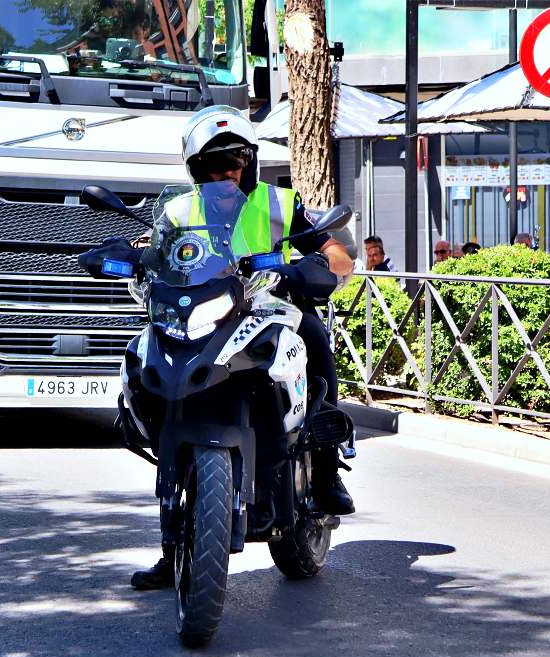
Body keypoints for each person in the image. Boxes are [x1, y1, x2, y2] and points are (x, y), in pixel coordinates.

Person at [93, 105, 356, 590]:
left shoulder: (279, 203)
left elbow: (332, 250)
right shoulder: (177, 209)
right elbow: (154, 245)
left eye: (236, 161)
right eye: (216, 165)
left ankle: (325, 468)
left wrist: (319, 266)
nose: (228, 172)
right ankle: (173, 549)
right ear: (197, 170)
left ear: (250, 162)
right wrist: (129, 253)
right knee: (151, 361)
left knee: (316, 339)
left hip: (270, 305)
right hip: (202, 309)